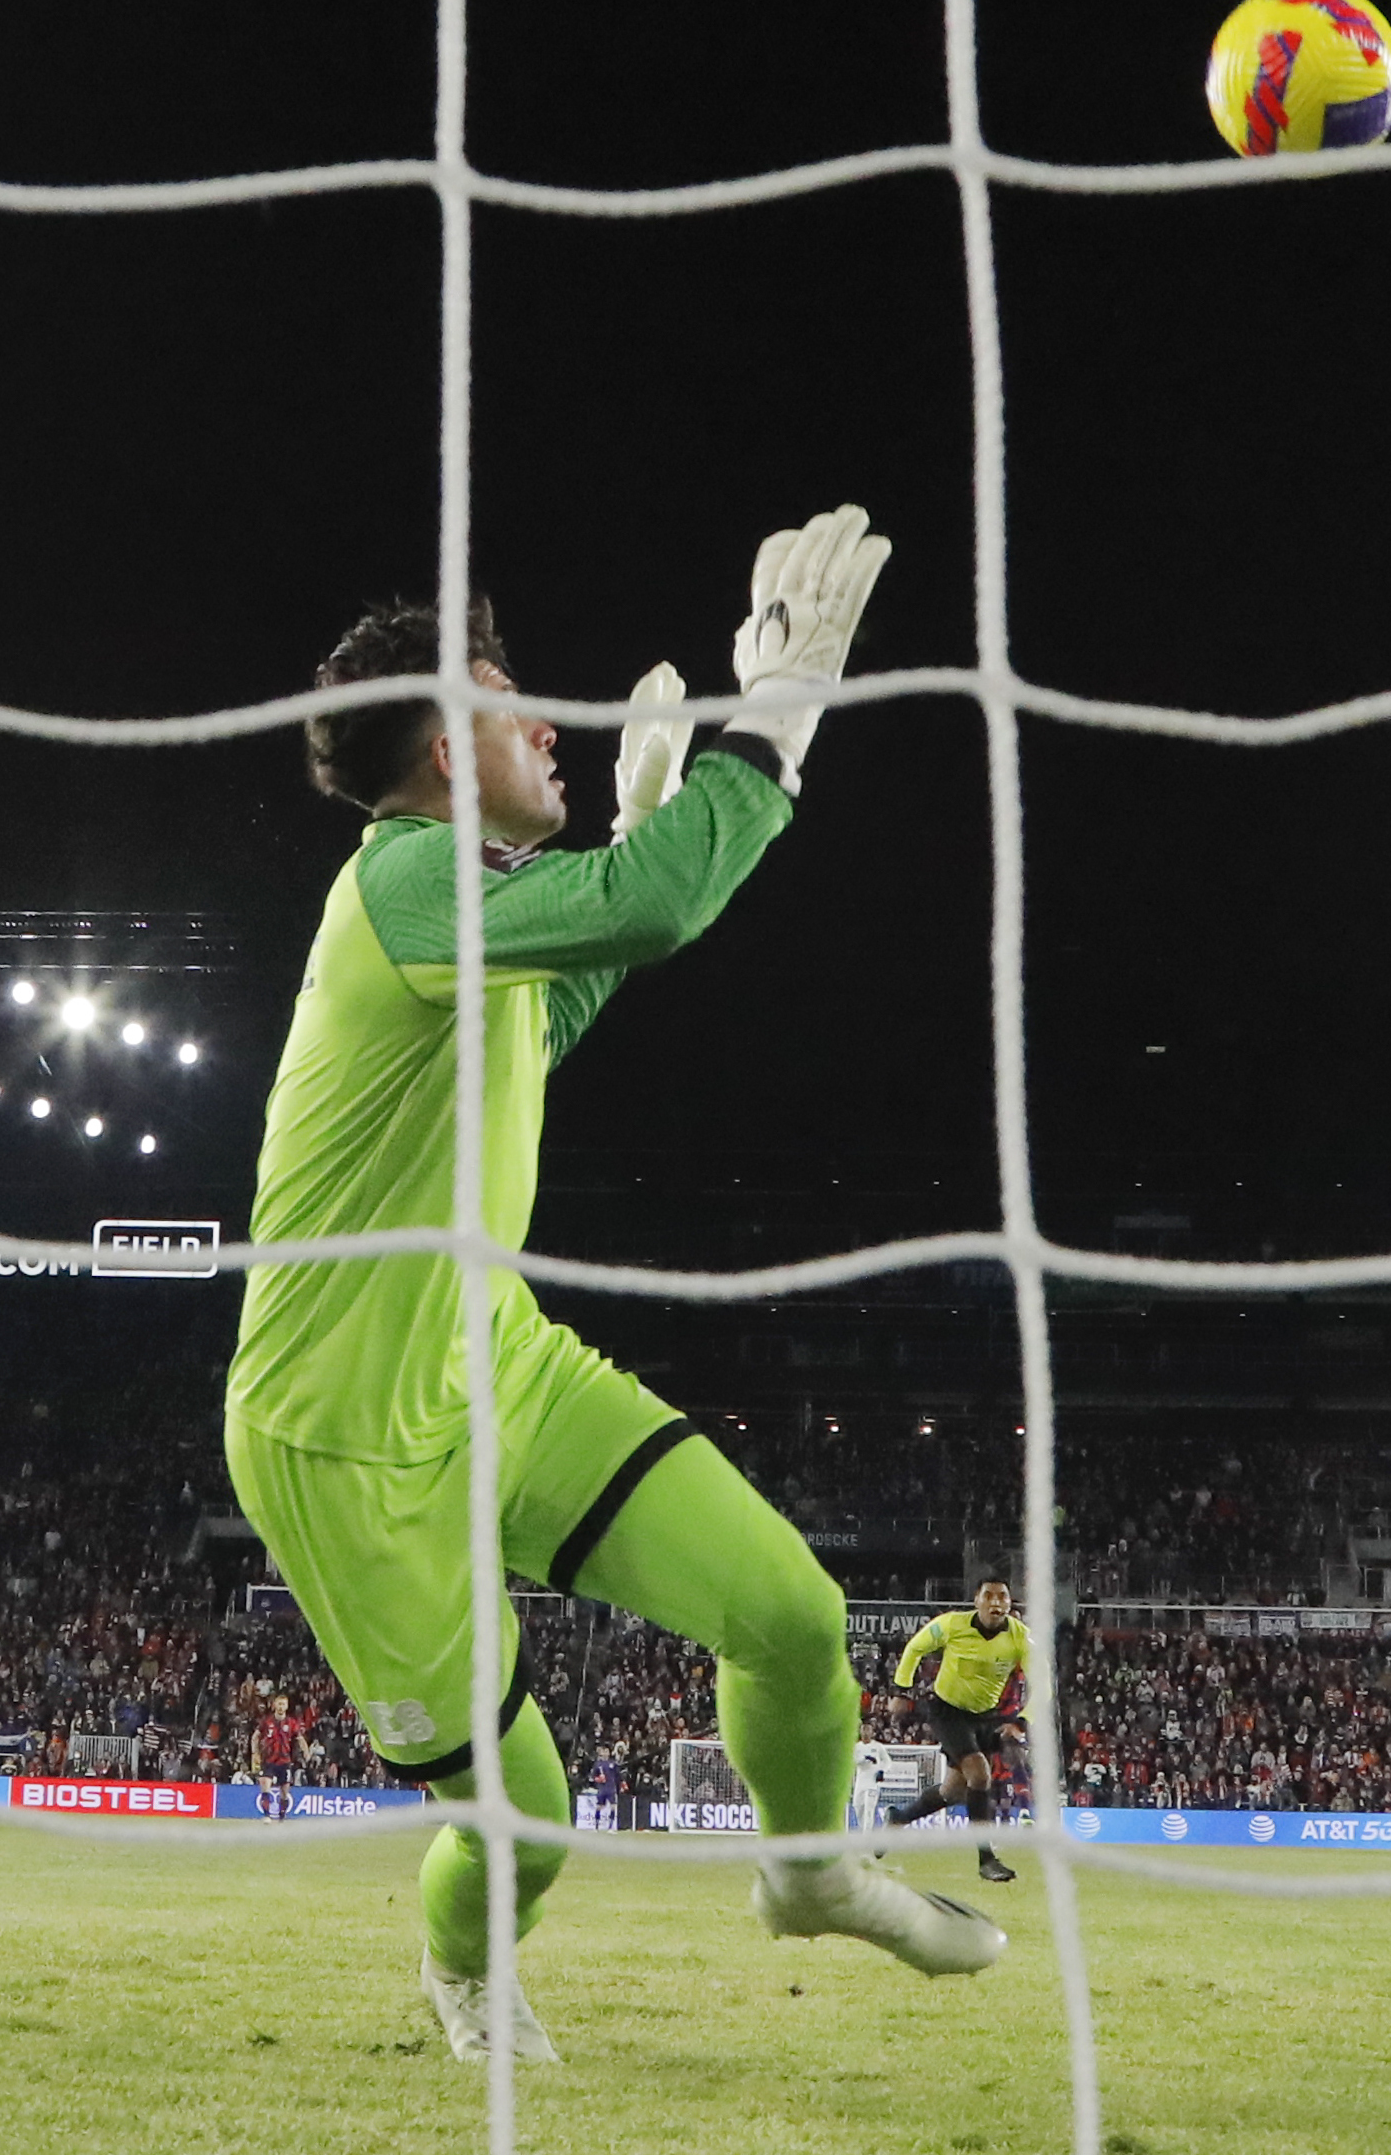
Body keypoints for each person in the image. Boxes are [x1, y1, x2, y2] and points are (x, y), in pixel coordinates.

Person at [224, 509, 1003, 2064]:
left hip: (488, 1360)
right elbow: (650, 907)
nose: (550, 726)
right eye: (515, 705)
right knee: (533, 1822)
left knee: (790, 1613)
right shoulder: (396, 887)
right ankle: (460, 1970)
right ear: (448, 750)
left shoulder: (462, 914)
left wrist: (628, 845)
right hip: (341, 1434)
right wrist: (773, 724)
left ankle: (805, 1876)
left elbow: (560, 1005)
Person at [889, 1578, 1031, 1883]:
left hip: (985, 1716)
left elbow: (1044, 1682)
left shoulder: (1020, 1637)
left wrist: (1021, 1720)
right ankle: (986, 1859)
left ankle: (899, 1818)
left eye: (1003, 1597)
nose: (996, 1602)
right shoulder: (952, 1624)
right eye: (989, 1596)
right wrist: (901, 1690)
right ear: (976, 1600)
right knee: (980, 1775)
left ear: (1010, 1603)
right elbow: (915, 1647)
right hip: (947, 1711)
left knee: (952, 1792)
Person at [258, 1693, 304, 1821]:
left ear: (287, 1706)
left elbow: (299, 1738)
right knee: (265, 1786)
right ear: (274, 1705)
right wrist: (255, 1753)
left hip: (284, 1761)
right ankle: (267, 1816)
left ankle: (281, 1817)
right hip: (269, 1759)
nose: (280, 1706)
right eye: (278, 1703)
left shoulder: (291, 1723)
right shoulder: (267, 1721)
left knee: (284, 1793)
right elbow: (255, 1736)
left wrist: (306, 1751)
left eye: (283, 1704)